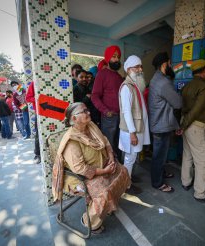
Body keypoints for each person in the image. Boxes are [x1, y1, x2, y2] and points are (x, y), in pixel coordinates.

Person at [52, 102, 130, 234]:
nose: (88, 113)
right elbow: (80, 169)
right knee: (103, 192)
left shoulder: (91, 125)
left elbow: (104, 141)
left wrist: (110, 157)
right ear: (74, 119)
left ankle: (108, 206)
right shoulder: (72, 141)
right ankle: (89, 221)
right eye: (84, 111)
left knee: (122, 171)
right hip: (80, 177)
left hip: (103, 165)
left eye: (87, 110)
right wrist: (104, 171)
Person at [180, 59, 205, 205]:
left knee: (188, 155)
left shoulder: (187, 86)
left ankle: (186, 182)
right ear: (204, 72)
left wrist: (183, 125)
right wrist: (184, 125)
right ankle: (200, 193)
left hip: (186, 124)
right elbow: (196, 110)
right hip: (196, 127)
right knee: (203, 162)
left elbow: (184, 108)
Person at [148, 52, 181, 193]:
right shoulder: (164, 82)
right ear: (164, 65)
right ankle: (157, 183)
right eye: (169, 63)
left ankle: (160, 174)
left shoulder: (156, 78)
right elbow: (178, 103)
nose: (171, 65)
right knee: (159, 156)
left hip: (158, 124)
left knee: (159, 155)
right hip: (161, 126)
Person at [119, 55, 150, 194]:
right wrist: (132, 133)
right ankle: (126, 185)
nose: (140, 69)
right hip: (131, 131)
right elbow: (126, 112)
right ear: (129, 69)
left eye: (140, 66)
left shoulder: (135, 85)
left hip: (135, 129)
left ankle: (128, 179)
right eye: (137, 67)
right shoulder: (127, 87)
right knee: (129, 158)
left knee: (131, 158)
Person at [91, 45, 123, 159]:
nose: (117, 59)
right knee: (109, 147)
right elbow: (94, 96)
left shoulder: (119, 76)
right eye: (114, 56)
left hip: (121, 117)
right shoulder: (102, 74)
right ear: (108, 58)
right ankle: (110, 172)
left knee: (120, 146)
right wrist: (106, 111)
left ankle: (119, 172)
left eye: (118, 57)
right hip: (109, 117)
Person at [26, 81, 41, 164]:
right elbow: (28, 98)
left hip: (53, 112)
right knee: (38, 134)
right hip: (39, 113)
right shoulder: (34, 82)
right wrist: (38, 98)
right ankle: (37, 154)